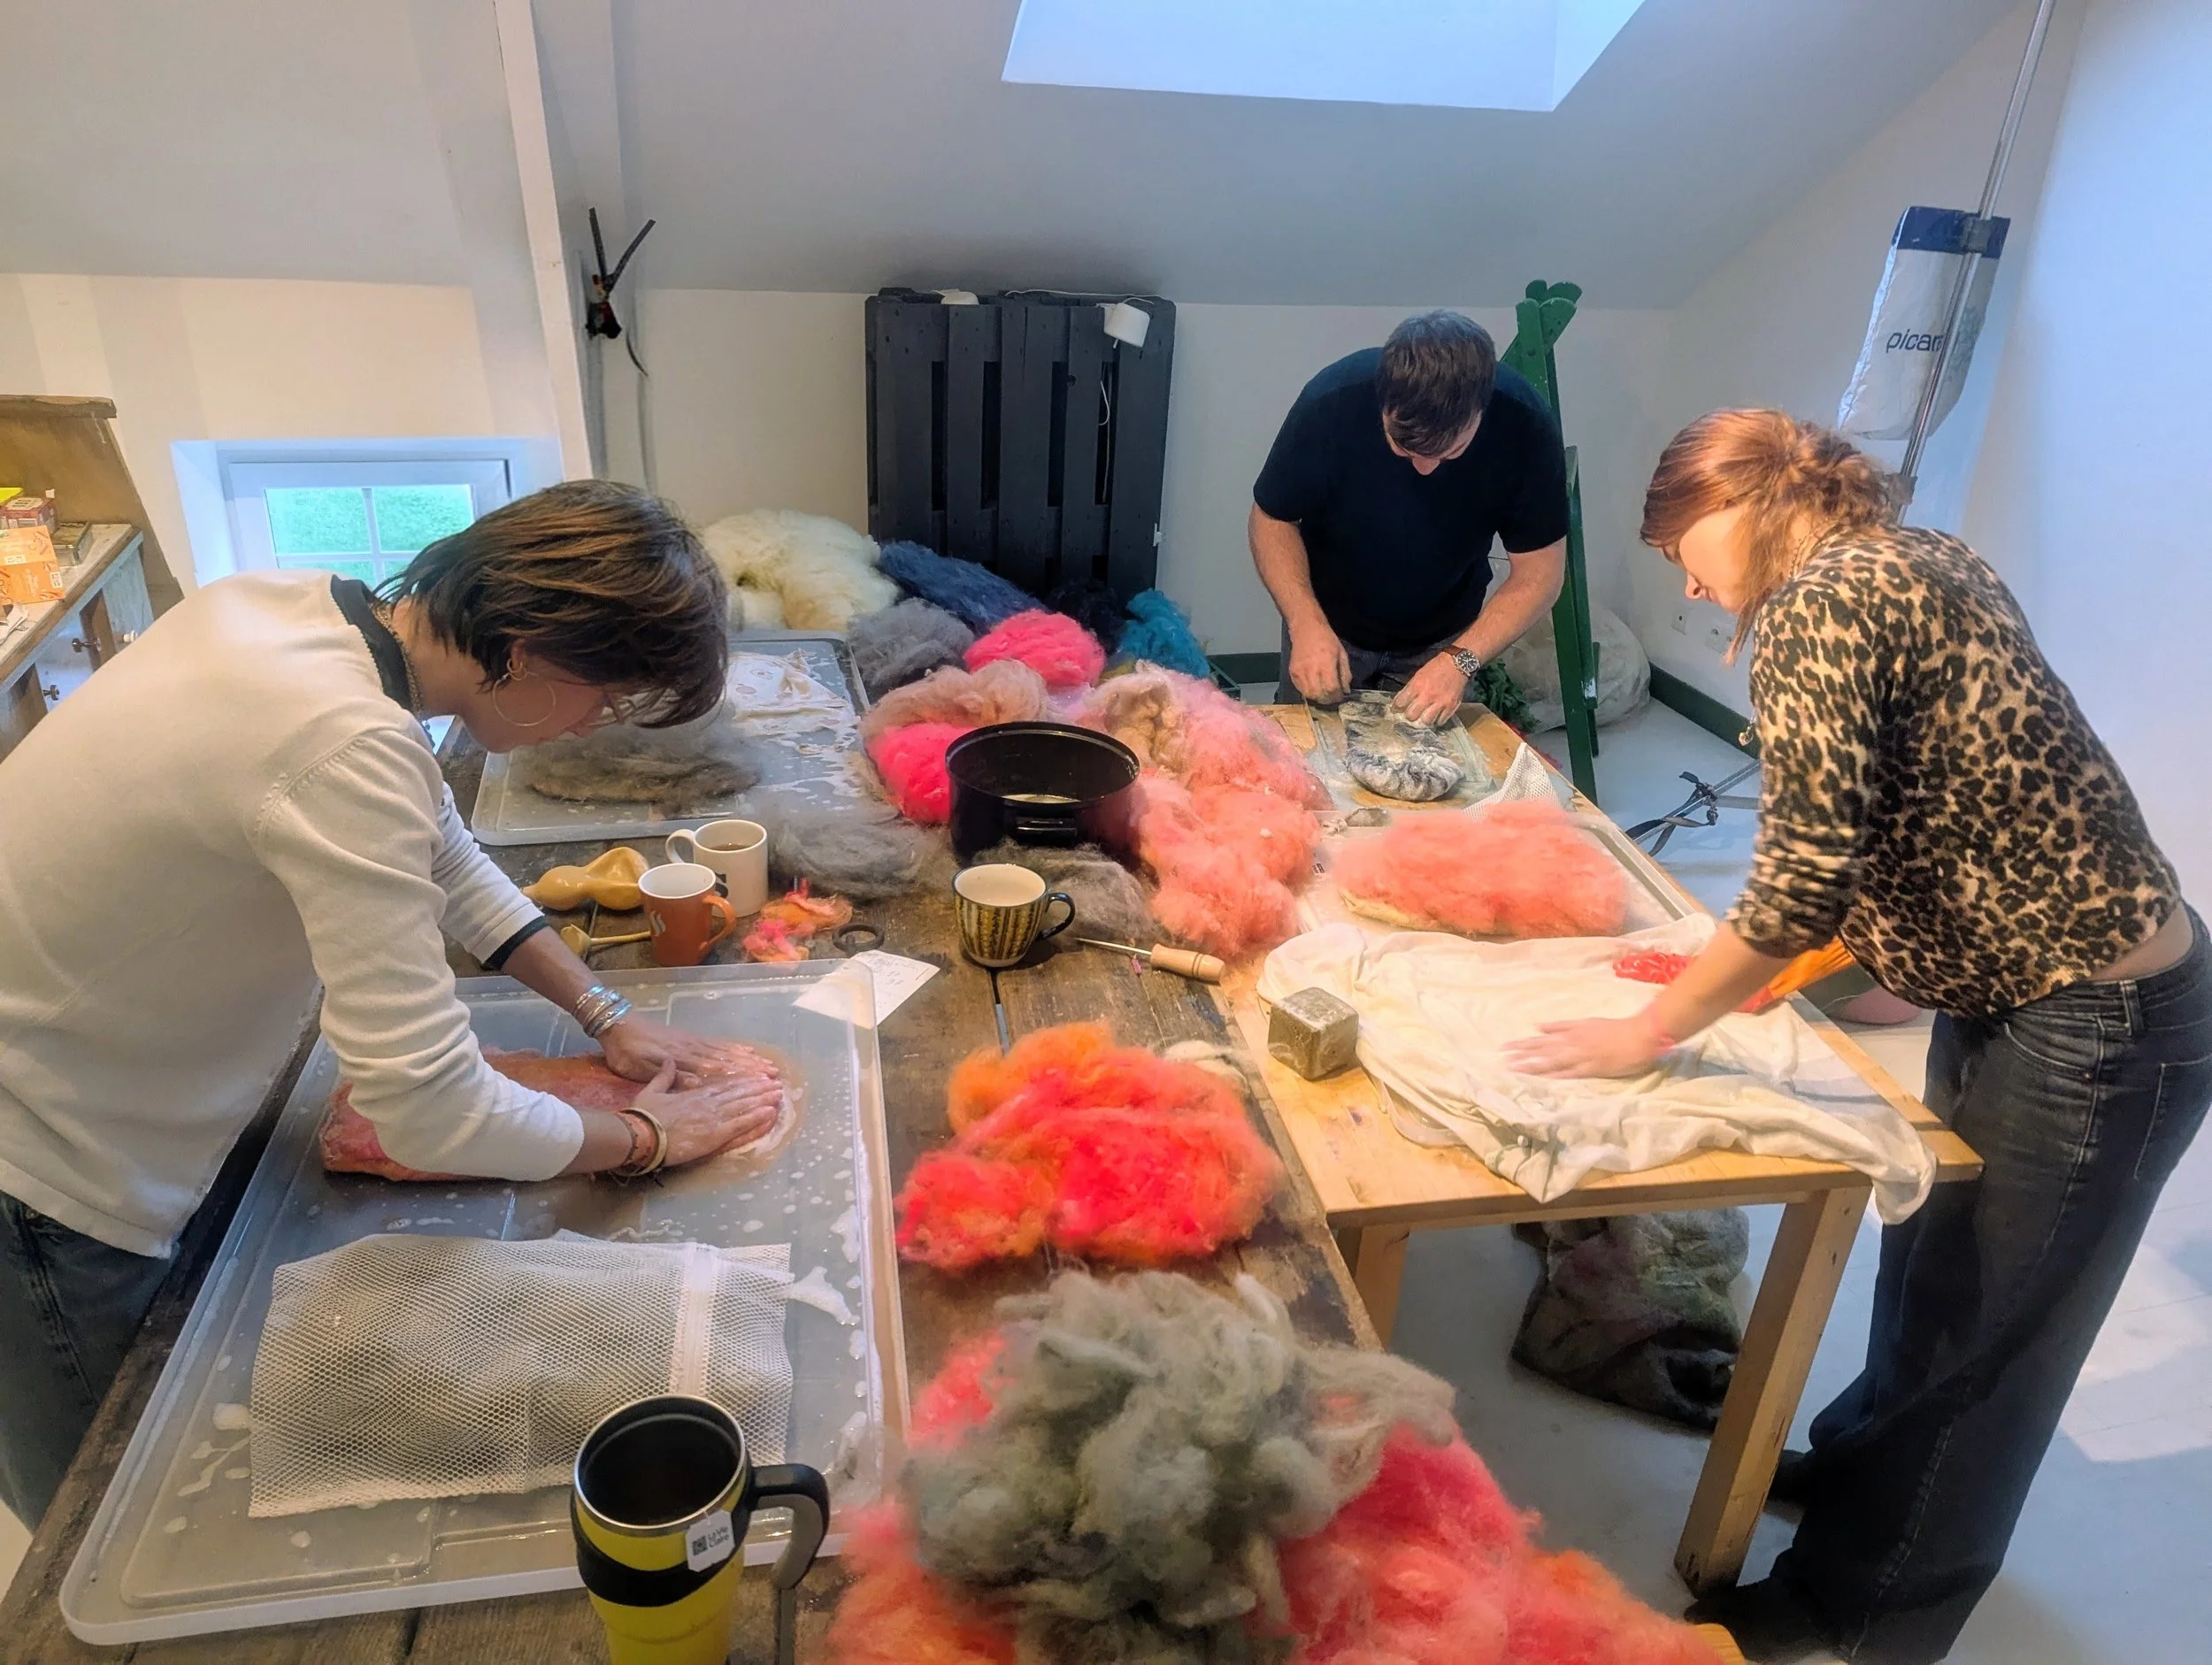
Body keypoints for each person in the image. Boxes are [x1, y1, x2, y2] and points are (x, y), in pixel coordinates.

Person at [1505, 411, 2209, 1664]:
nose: (1687, 578)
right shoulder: (1917, 554)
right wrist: (1792, 975)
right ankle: (1850, 1484)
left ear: (1746, 504)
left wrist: (1651, 1029)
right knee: (1931, 1267)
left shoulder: (1821, 607)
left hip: (2100, 1017)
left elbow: (1800, 885)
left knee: (1990, 1343)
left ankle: (1860, 1616)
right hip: (2028, 984)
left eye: (1682, 548)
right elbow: (1934, 813)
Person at [0, 480, 786, 1527]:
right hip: (44, 1175)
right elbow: (429, 1110)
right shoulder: (343, 742)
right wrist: (644, 1136)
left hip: (107, 1078)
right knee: (107, 1517)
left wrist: (605, 1012)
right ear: (534, 653)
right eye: (610, 693)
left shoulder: (288, 608)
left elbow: (443, 852)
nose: (598, 723)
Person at [1249, 310, 1569, 725]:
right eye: (1403, 448)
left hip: (1446, 634)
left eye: (1449, 452)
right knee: (1305, 760)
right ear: (1383, 403)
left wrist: (1460, 661)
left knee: (1433, 773)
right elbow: (1272, 519)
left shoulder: (1526, 427)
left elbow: (1540, 575)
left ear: (1480, 412)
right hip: (1327, 620)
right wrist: (1304, 622)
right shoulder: (1331, 402)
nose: (1424, 469)